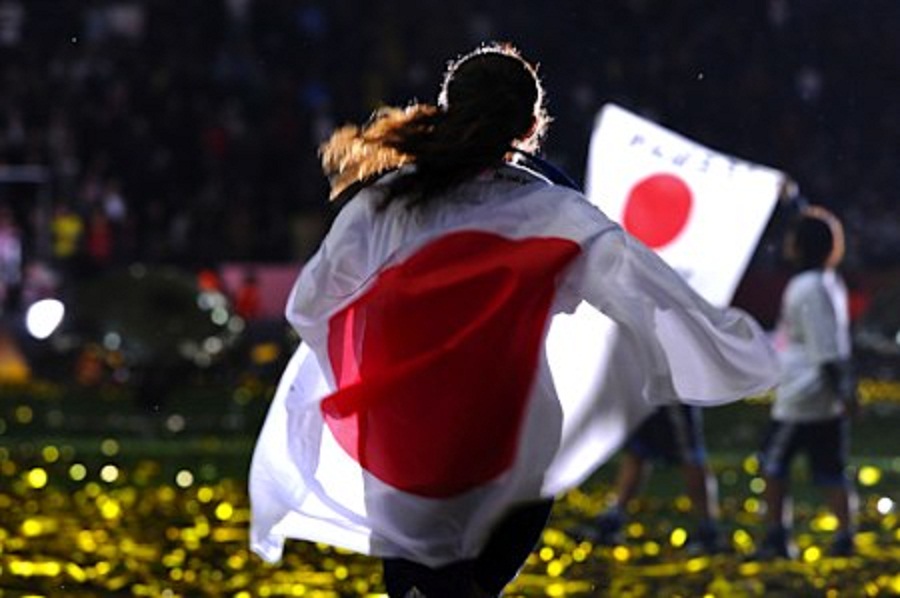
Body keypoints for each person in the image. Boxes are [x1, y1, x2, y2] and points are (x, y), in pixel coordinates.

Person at [248, 42, 779, 597]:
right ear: (530, 126)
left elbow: (312, 303)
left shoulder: (388, 201)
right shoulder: (558, 214)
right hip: (506, 443)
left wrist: (378, 378)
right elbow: (653, 300)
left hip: (404, 448)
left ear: (449, 109)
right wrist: (747, 353)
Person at [754, 205, 858, 559]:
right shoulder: (829, 282)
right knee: (830, 470)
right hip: (823, 396)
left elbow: (824, 348)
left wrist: (843, 390)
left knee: (772, 463)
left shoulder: (807, 286)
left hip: (802, 396)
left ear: (801, 245)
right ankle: (845, 536)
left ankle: (777, 536)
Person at [578, 405, 724, 554]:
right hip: (645, 394)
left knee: (688, 451)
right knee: (637, 449)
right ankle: (614, 517)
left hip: (670, 396)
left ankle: (708, 529)